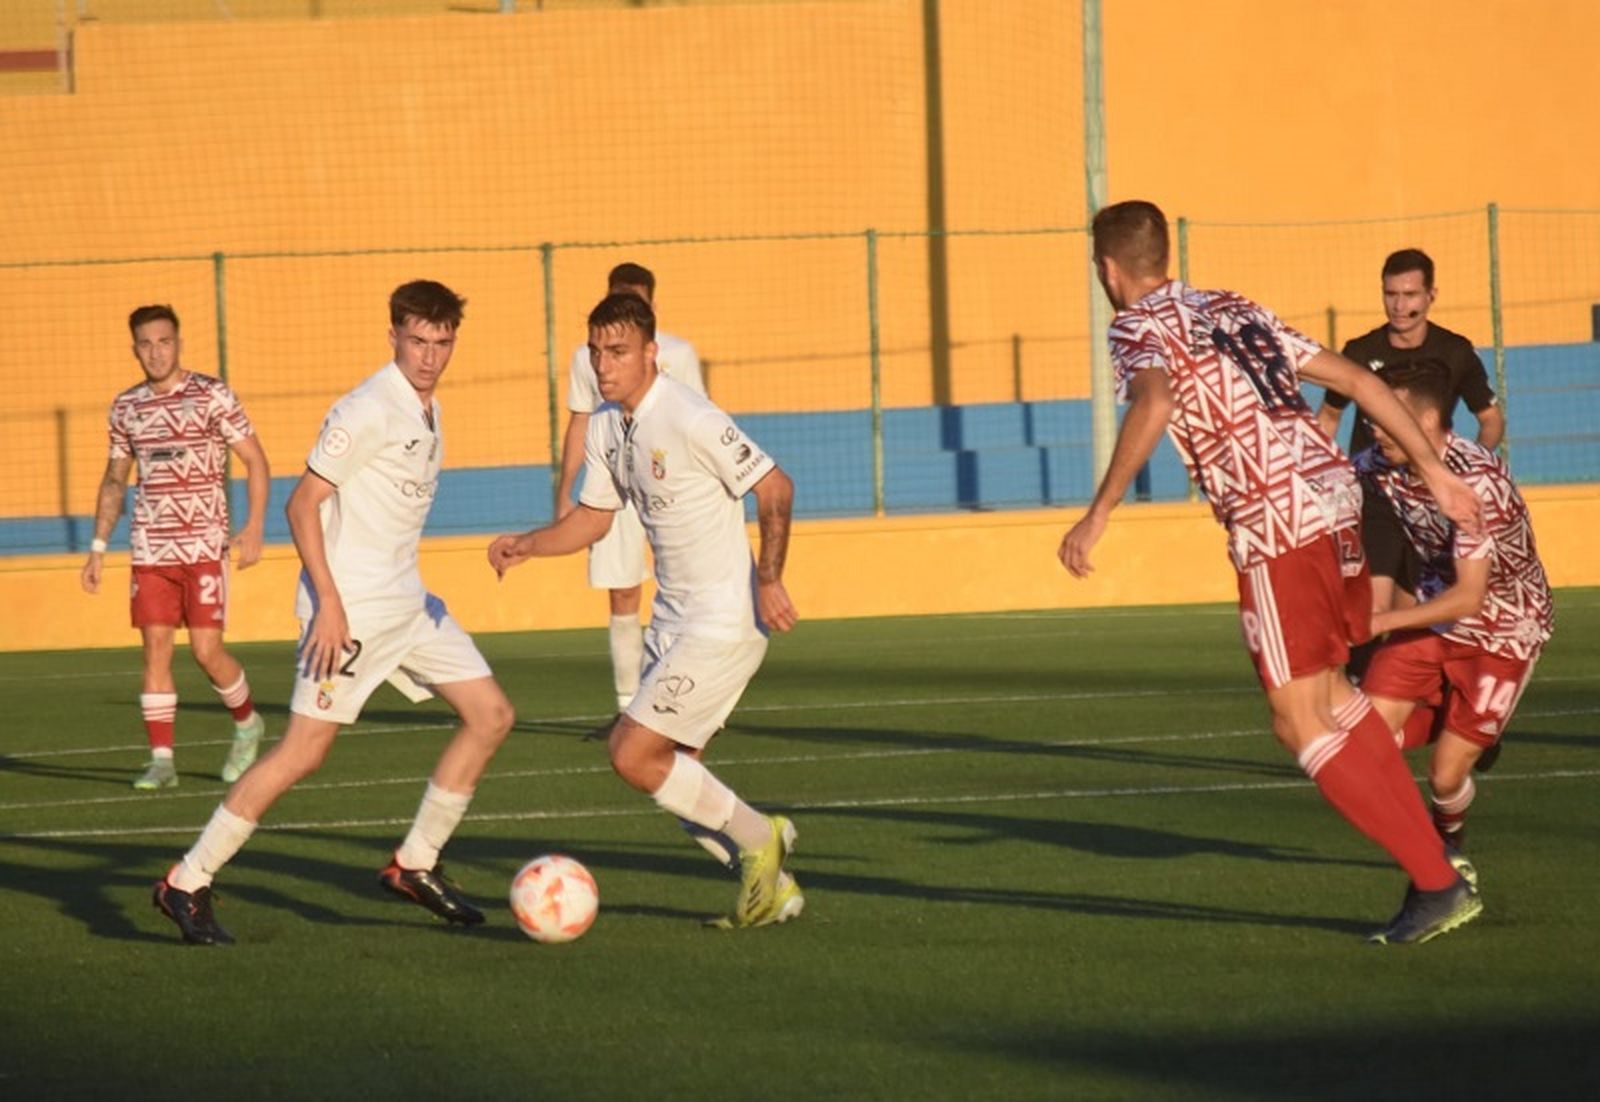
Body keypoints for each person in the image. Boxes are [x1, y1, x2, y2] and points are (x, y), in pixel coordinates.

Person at [1060, 200, 1487, 945]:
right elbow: (1357, 379)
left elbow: (1155, 398)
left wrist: (1099, 512)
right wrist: (1433, 470)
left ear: (1108, 269)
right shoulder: (1230, 304)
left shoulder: (1135, 325)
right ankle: (1439, 861)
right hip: (1336, 497)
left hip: (1275, 521)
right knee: (1335, 698)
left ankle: (1437, 881)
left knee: (1298, 721)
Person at [153, 280, 517, 945]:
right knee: (302, 752)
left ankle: (415, 864)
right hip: (350, 610)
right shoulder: (368, 408)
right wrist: (327, 604)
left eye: (441, 342)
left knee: (492, 715)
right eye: (417, 341)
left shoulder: (427, 408)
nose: (430, 356)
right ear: (393, 337)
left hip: (408, 603)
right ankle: (187, 879)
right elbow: (302, 505)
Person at [490, 292, 801, 930]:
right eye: (597, 351)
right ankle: (778, 887)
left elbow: (775, 486)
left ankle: (761, 838)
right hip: (673, 622)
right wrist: (529, 543)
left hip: (722, 620)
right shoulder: (608, 427)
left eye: (619, 351)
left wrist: (768, 578)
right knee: (671, 774)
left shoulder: (687, 414)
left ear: (651, 353)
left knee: (632, 754)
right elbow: (594, 520)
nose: (604, 365)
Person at [1354, 362, 1552, 849]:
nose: (1374, 427)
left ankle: (1451, 846)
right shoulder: (1380, 462)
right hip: (1434, 616)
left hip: (1505, 627)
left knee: (1444, 777)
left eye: (1384, 417)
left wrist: (1378, 620)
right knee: (1361, 742)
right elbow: (1321, 481)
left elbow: (1469, 597)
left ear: (1423, 422)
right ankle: (1456, 719)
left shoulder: (1476, 482)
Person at [80, 304, 270, 791]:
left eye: (164, 341)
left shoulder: (211, 395)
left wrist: (252, 527)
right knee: (156, 650)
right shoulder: (126, 407)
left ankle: (248, 723)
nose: (155, 351)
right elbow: (114, 479)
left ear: (179, 343)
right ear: (135, 349)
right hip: (151, 549)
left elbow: (255, 459)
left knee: (208, 652)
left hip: (204, 544)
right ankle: (162, 761)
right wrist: (98, 547)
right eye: (145, 343)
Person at [1315, 249, 1504, 676]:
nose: (1400, 306)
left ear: (1431, 294)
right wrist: (1320, 481)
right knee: (1374, 604)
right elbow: (1328, 417)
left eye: (1410, 294)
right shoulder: (1360, 352)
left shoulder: (1454, 352)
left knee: (1413, 612)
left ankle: (1401, 702)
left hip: (1432, 500)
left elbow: (1490, 421)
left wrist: (1466, 470)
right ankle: (1357, 692)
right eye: (1391, 294)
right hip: (1376, 498)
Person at [556, 262, 705, 720]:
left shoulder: (678, 353)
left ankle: (685, 703)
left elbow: (700, 417)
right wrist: (565, 492)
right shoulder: (587, 358)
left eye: (638, 302)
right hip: (614, 482)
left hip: (672, 486)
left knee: (685, 588)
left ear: (652, 307)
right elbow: (581, 418)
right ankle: (627, 708)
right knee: (622, 591)